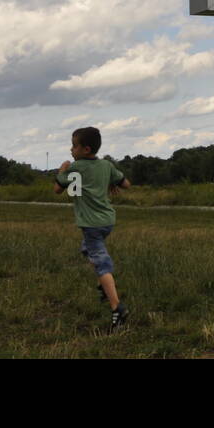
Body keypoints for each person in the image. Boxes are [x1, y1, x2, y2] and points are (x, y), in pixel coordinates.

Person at [53, 127, 131, 331]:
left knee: (101, 264)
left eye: (74, 145)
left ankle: (117, 308)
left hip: (91, 224)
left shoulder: (75, 167)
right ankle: (105, 286)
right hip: (107, 221)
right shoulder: (106, 164)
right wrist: (111, 182)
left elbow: (58, 189)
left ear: (85, 149)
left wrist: (62, 170)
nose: (71, 149)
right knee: (87, 249)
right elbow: (126, 184)